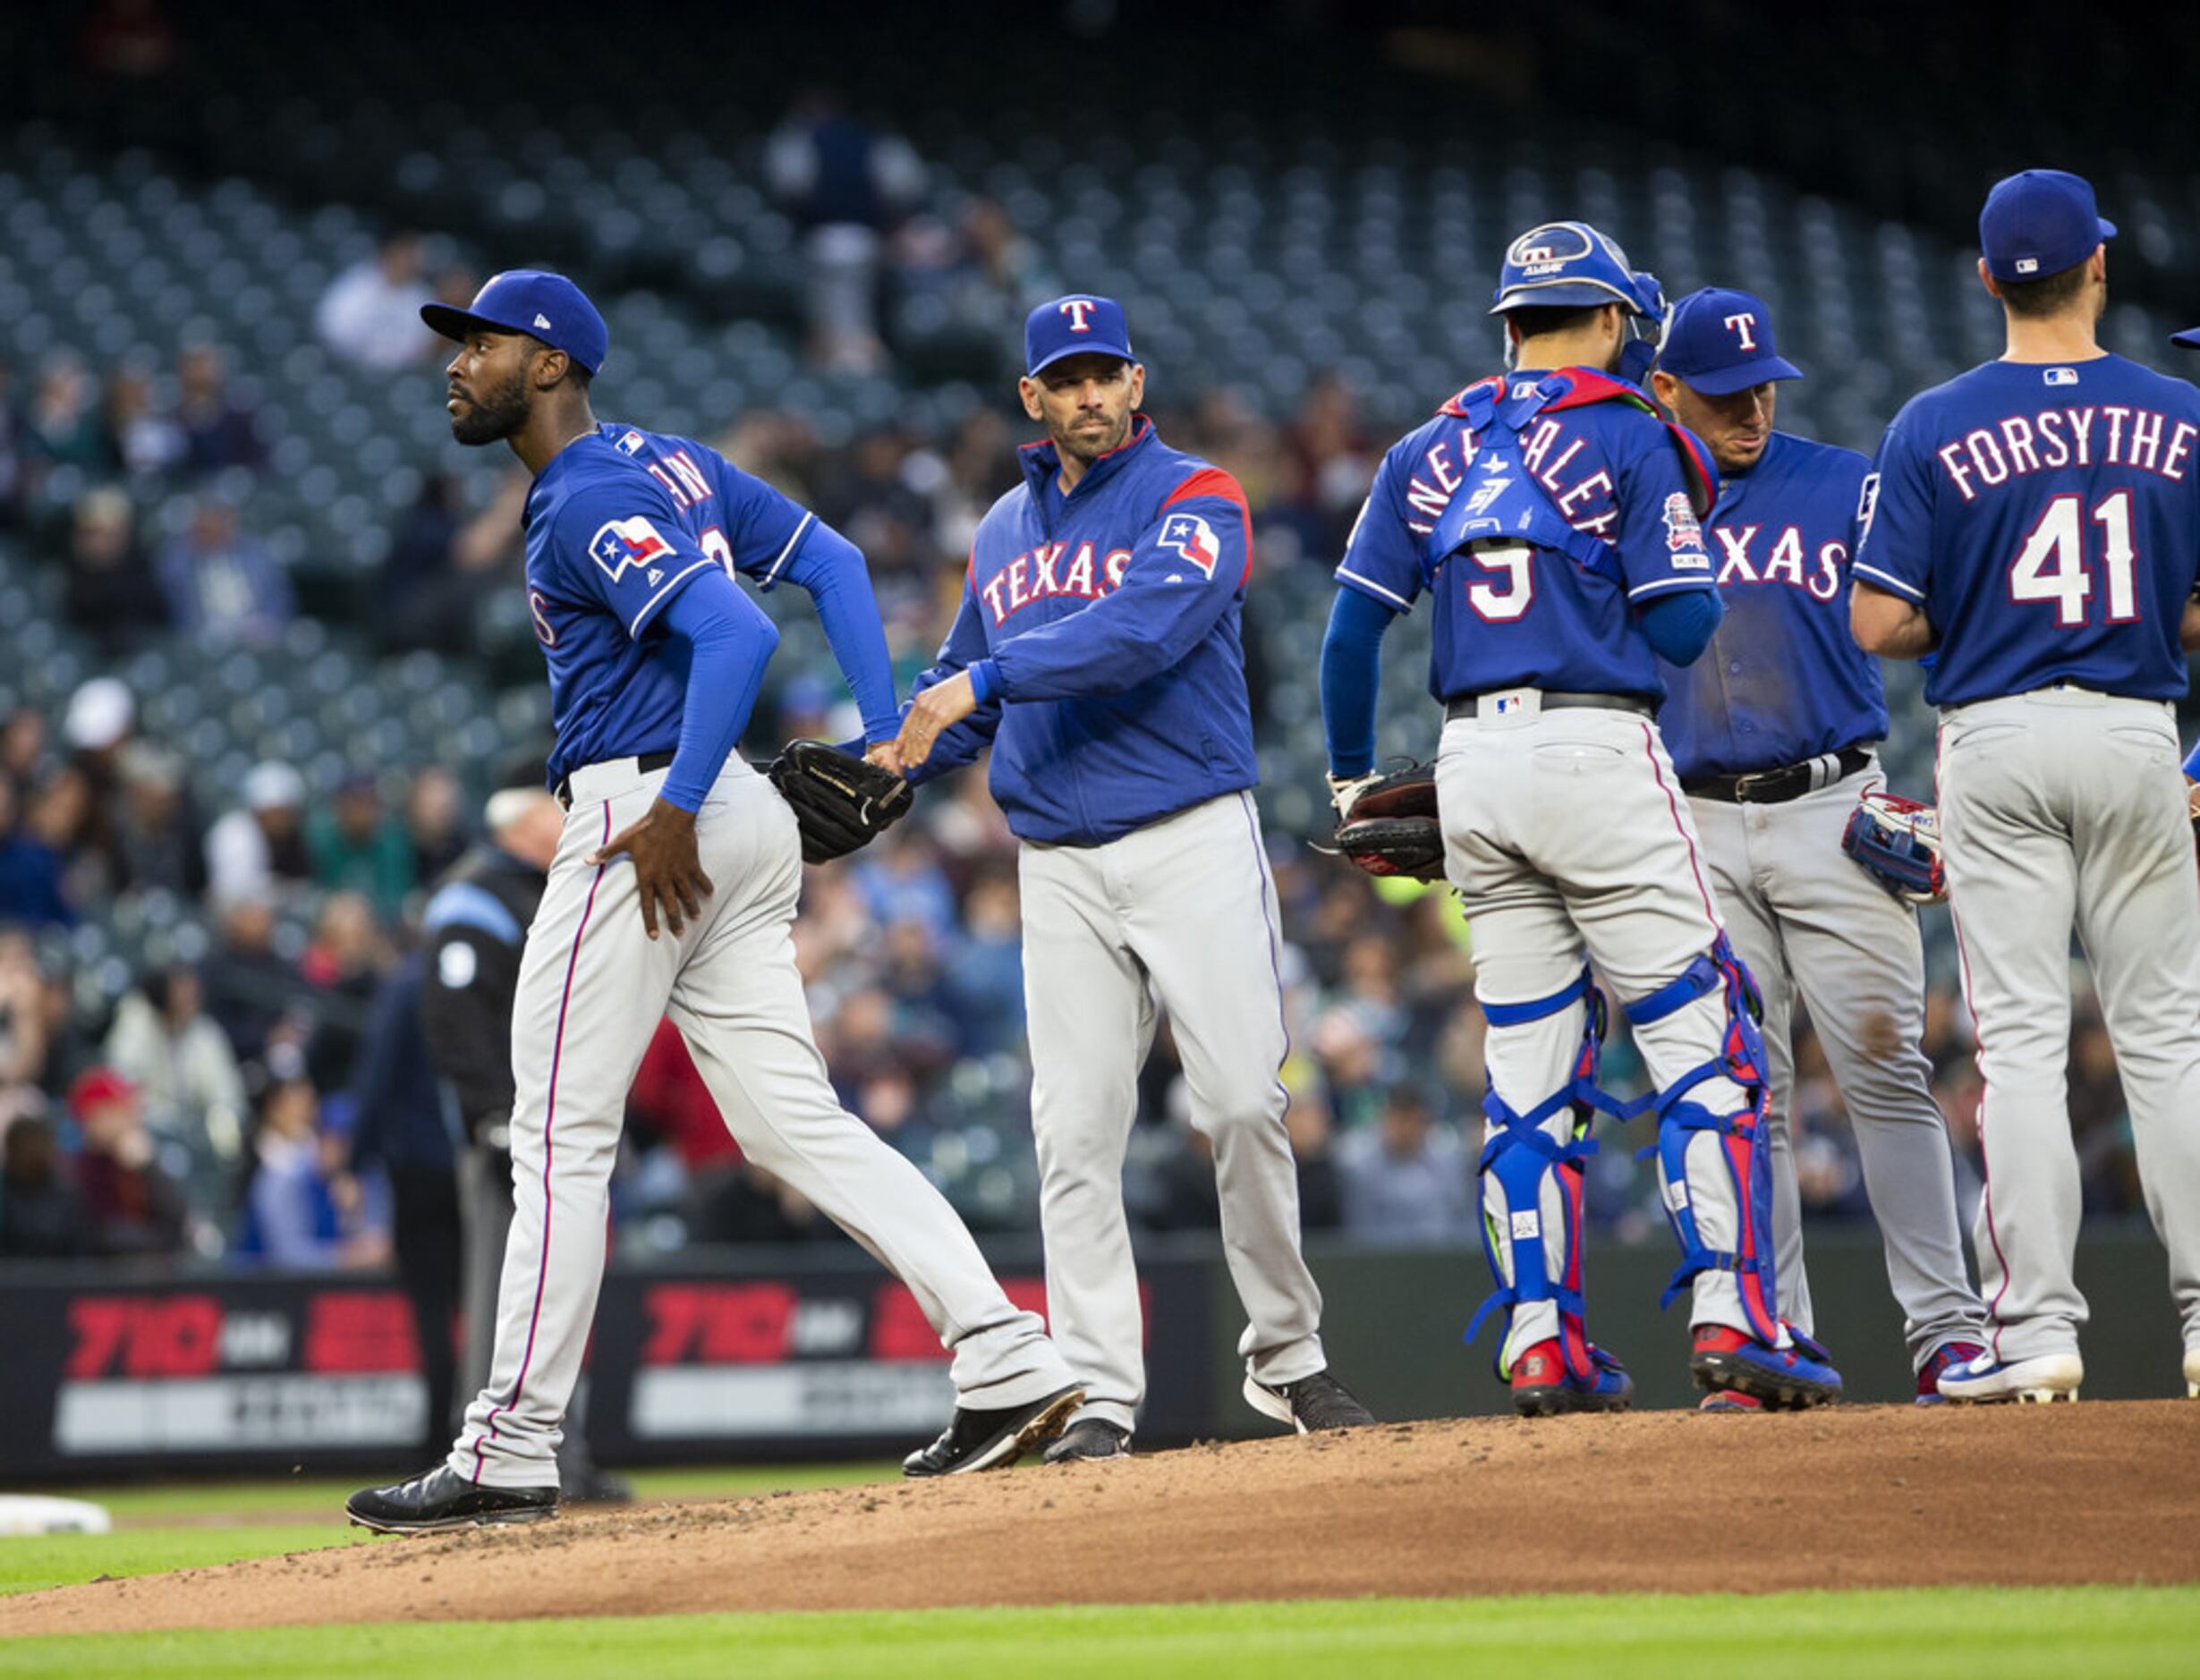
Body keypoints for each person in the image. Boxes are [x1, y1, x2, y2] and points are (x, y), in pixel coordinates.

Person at [346, 270, 1080, 1536]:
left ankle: (509, 1442)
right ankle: (1008, 1358)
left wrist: (676, 804)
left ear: (554, 362)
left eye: (482, 341)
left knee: (559, 1140)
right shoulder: (673, 462)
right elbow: (837, 563)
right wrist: (873, 740)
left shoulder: (582, 493)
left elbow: (733, 636)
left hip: (655, 819)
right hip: (743, 818)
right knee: (798, 1126)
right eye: (454, 343)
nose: (456, 362)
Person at [1319, 221, 1843, 1418]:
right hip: (1590, 745)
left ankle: (1541, 1339)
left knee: (1525, 1069)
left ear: (1507, 324)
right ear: (1608, 321)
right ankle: (1735, 1314)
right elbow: (1678, 630)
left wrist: (1353, 786)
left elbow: (1350, 635)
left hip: (1473, 764)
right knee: (1698, 1035)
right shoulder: (1630, 433)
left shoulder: (1424, 447)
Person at [891, 293, 1374, 1463]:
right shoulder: (1002, 529)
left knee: (1243, 1104)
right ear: (1033, 399)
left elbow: (1142, 631)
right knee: (1072, 1131)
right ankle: (1100, 1388)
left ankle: (1288, 1355)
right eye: (1066, 378)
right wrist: (890, 754)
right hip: (1054, 860)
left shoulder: (1196, 493)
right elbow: (960, 692)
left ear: (1134, 380)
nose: (1089, 393)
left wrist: (979, 685)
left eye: (1105, 372)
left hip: (1188, 836)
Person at [1851, 169, 2200, 1404]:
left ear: (1988, 276)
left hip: (1994, 737)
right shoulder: (2180, 413)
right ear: (2097, 266)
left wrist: (1978, 606)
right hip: (2131, 730)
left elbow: (1875, 616)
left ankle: (2038, 1332)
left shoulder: (1931, 424)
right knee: (2166, 1044)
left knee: (2016, 1050)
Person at [1647, 287, 1991, 1405]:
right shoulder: (1630, 494)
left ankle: (1946, 1331)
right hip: (1692, 819)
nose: (1748, 407)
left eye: (1760, 386)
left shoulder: (1844, 482)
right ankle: (1767, 1333)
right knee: (1744, 1091)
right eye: (1721, 392)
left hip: (1830, 805)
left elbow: (1943, 619)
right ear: (1665, 394)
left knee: (1885, 1069)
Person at [411, 778, 626, 1499]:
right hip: (509, 1129)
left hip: (565, 1118)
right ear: (517, 825)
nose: (562, 821)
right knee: (510, 1290)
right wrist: (491, 1115)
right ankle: (488, 1457)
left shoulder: (543, 887)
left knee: (560, 1284)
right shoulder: (473, 896)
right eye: (549, 814)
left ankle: (564, 1457)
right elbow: (455, 1022)